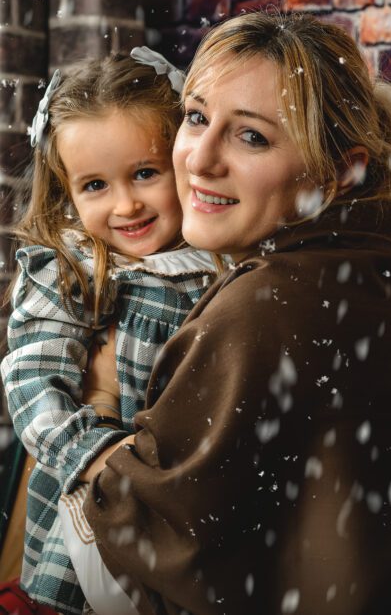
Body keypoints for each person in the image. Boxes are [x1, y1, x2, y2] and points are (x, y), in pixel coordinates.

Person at [82, 12, 391, 614]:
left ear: (340, 172)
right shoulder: (377, 266)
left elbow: (135, 552)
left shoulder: (269, 307)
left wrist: (97, 405)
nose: (198, 159)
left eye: (251, 136)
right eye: (196, 118)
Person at [0, 50, 219, 615]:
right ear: (65, 191)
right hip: (94, 509)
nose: (126, 204)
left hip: (189, 502)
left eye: (146, 173)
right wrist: (99, 456)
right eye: (95, 185)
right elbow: (31, 379)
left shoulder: (218, 262)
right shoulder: (76, 270)